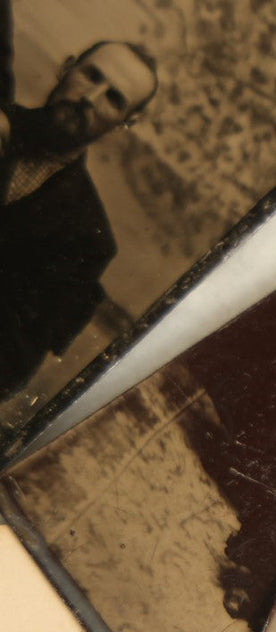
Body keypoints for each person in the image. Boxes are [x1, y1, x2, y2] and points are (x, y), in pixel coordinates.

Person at [0, 13, 159, 396]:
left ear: (126, 122)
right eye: (91, 75)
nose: (90, 99)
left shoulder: (87, 240)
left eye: (114, 99)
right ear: (67, 67)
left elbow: (10, 370)